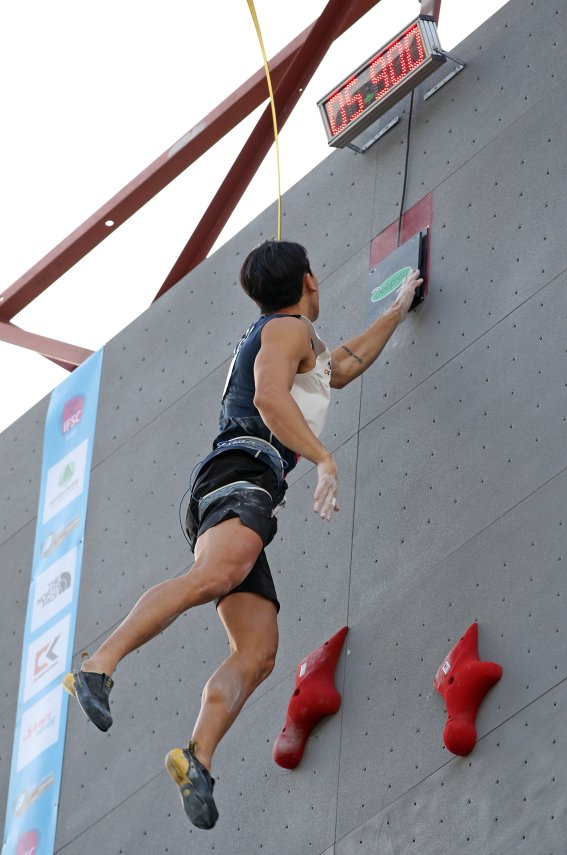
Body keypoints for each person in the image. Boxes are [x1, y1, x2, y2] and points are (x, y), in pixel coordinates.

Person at [63, 240, 422, 830]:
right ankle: (97, 665)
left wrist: (396, 310)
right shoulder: (287, 329)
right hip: (243, 472)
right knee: (215, 575)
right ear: (310, 280)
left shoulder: (294, 340)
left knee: (257, 651)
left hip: (238, 483)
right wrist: (324, 459)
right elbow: (268, 397)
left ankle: (197, 758)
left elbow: (342, 367)